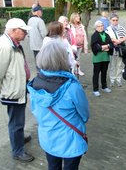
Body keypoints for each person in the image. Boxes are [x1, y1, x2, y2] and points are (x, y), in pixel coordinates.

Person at [27, 40, 89, 170]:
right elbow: (84, 114)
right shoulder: (72, 86)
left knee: (53, 166)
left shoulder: (34, 84)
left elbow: (35, 110)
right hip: (71, 139)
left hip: (48, 137)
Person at [0, 18, 34, 162]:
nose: (26, 33)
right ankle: (17, 151)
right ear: (14, 30)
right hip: (13, 91)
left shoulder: (13, 43)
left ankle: (18, 137)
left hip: (18, 87)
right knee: (16, 122)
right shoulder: (4, 46)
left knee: (18, 120)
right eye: (23, 30)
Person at [91, 20, 114, 97]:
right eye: (99, 26)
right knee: (96, 74)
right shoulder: (94, 35)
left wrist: (103, 47)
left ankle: (104, 86)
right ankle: (95, 89)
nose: (101, 27)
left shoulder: (106, 35)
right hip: (97, 57)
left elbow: (111, 44)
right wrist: (105, 47)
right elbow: (95, 46)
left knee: (104, 72)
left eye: (102, 26)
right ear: (96, 27)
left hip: (105, 57)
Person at [105, 13, 126, 87]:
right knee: (112, 65)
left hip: (120, 49)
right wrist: (114, 40)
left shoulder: (121, 28)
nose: (115, 21)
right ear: (110, 20)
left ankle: (118, 80)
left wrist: (119, 41)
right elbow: (107, 39)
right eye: (113, 20)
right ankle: (112, 80)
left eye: (116, 20)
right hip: (112, 49)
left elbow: (125, 37)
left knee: (119, 65)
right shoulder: (108, 29)